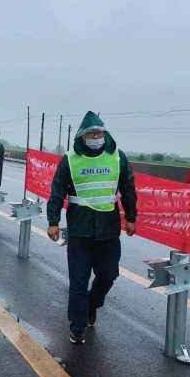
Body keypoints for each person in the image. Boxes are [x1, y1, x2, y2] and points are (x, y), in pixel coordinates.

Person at [46, 111, 137, 345]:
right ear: (82, 136)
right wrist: (53, 221)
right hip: (79, 230)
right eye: (91, 133)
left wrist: (131, 217)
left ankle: (92, 304)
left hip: (108, 230)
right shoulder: (70, 159)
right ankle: (77, 326)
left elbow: (128, 188)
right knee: (78, 280)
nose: (96, 136)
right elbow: (57, 191)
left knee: (108, 275)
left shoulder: (118, 157)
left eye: (99, 132)